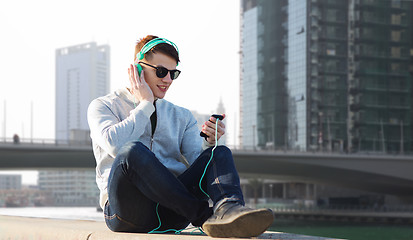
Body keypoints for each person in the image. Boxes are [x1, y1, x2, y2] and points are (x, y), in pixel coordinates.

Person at [87, 35, 274, 238]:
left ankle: (230, 210)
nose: (167, 80)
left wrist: (209, 142)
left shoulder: (182, 116)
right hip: (128, 213)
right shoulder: (103, 106)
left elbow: (197, 163)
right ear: (138, 69)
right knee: (131, 151)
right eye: (161, 72)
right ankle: (205, 217)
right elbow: (115, 145)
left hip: (173, 211)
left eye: (172, 74)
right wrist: (145, 104)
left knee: (217, 152)